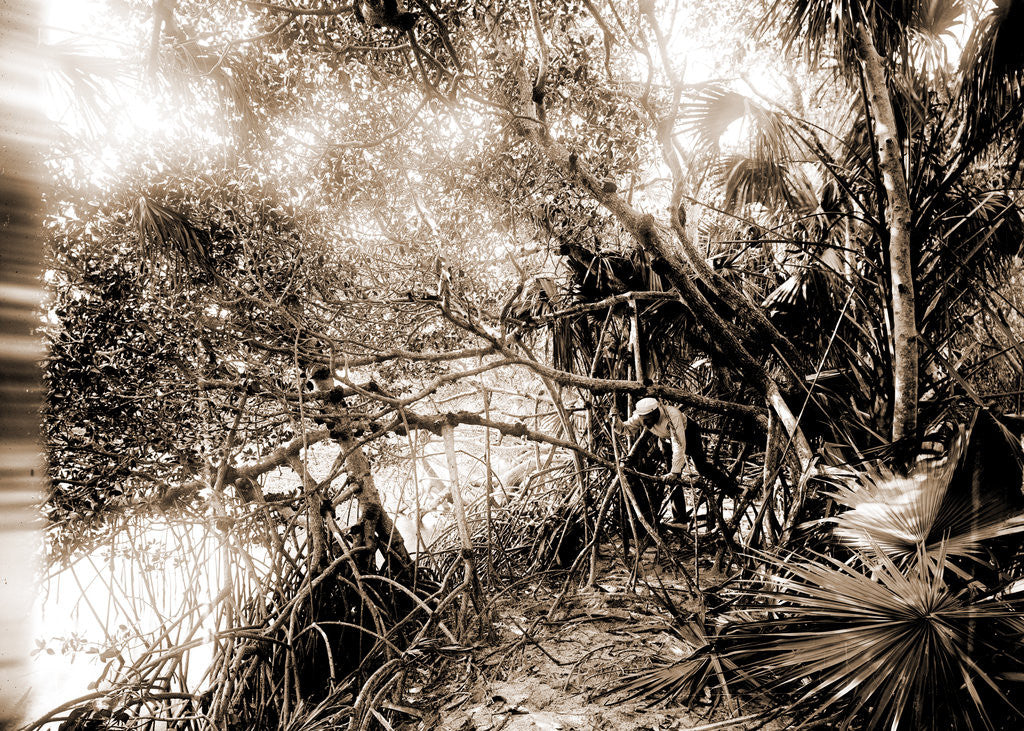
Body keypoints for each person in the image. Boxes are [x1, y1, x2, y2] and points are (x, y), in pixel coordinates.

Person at [620, 397, 693, 480]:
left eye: (647, 420)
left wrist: (675, 471)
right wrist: (615, 421)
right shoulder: (642, 417)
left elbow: (678, 444)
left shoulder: (672, 416)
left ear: (655, 414)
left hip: (689, 433)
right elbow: (625, 429)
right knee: (670, 471)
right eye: (642, 420)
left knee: (700, 466)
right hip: (666, 438)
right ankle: (675, 490)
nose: (644, 424)